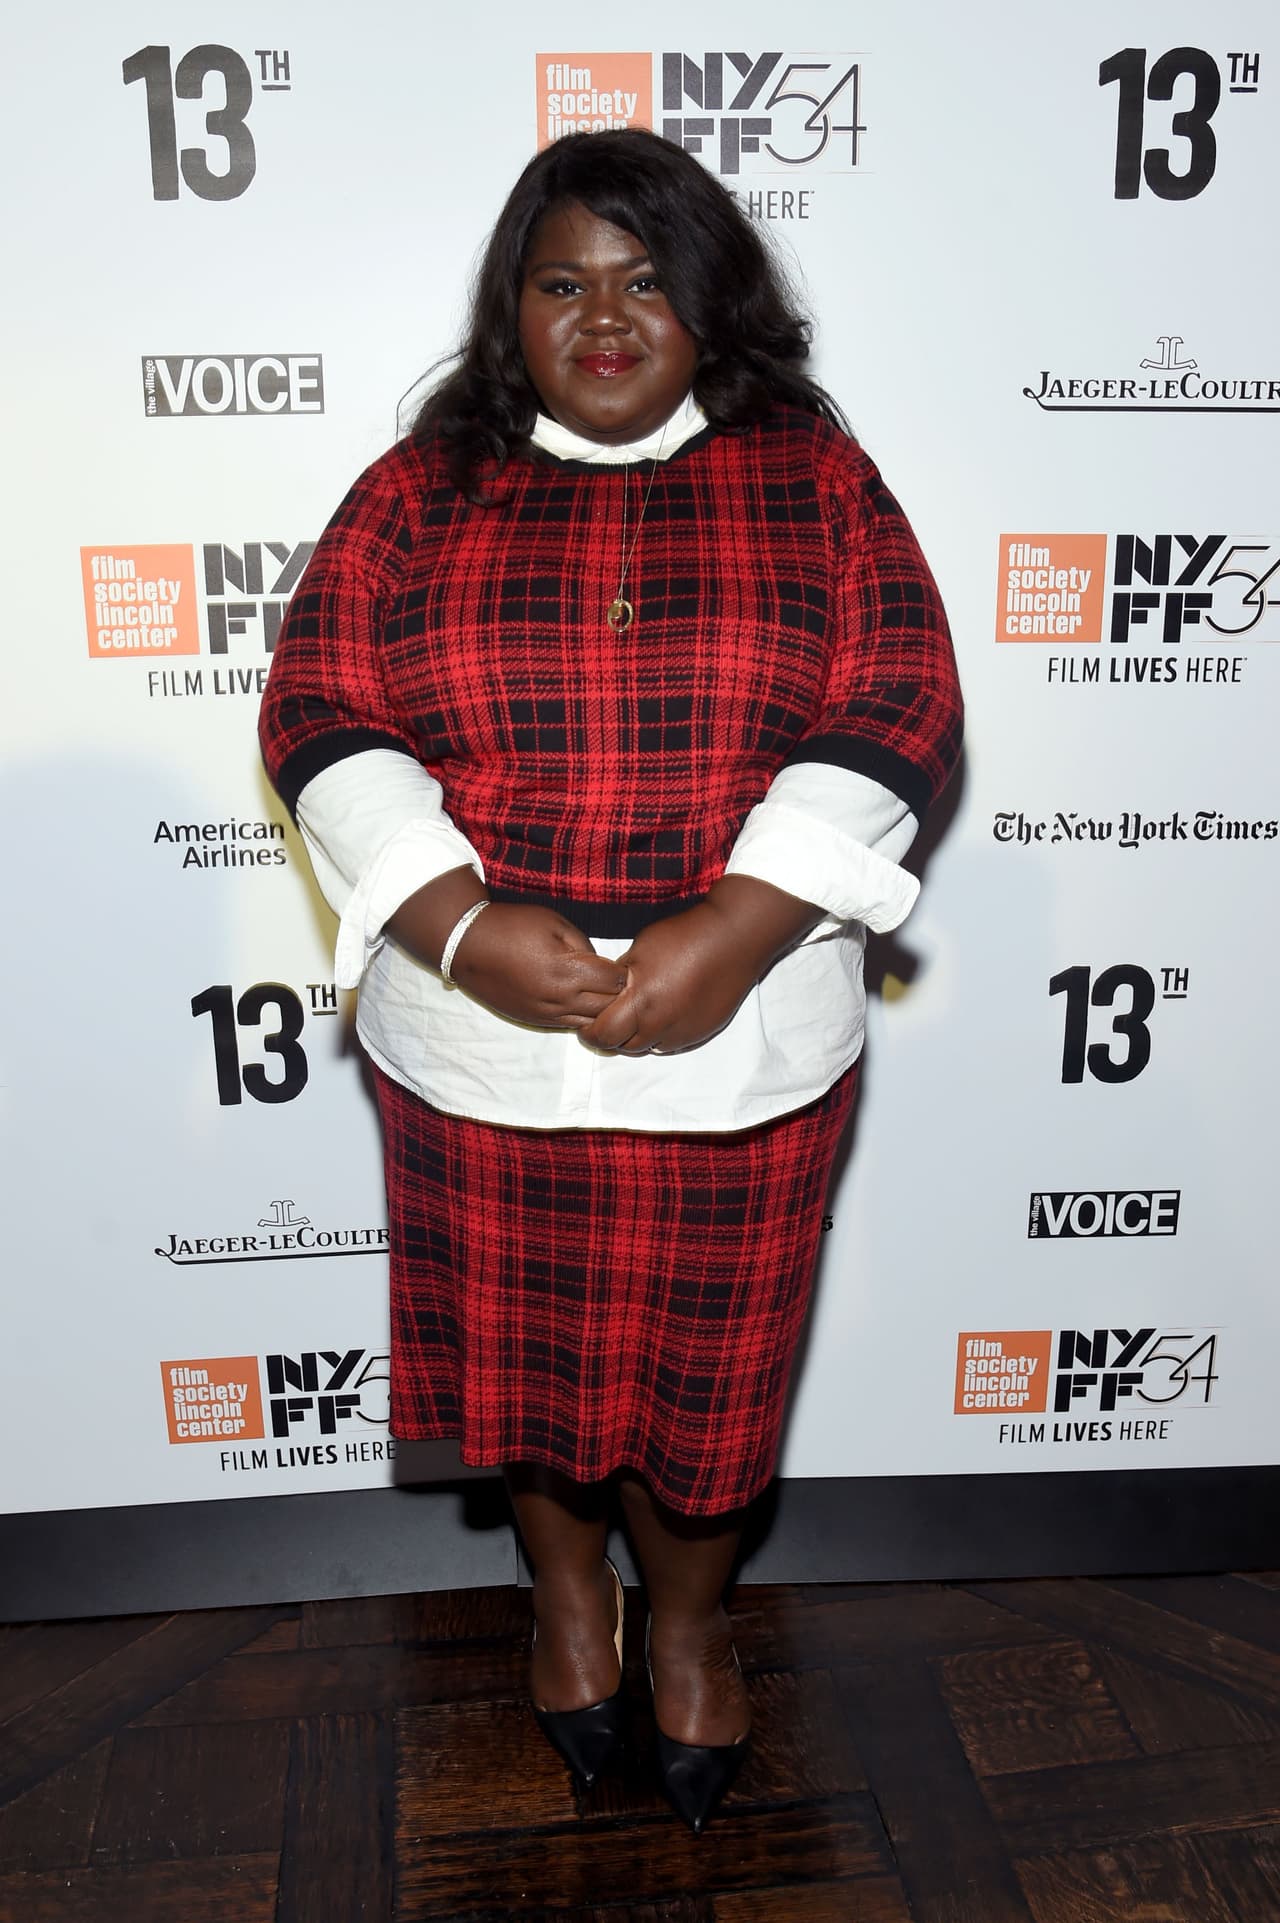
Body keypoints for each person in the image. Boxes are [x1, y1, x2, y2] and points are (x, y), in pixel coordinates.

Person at [258, 127, 962, 1832]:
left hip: (744, 1040)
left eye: (646, 279)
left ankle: (697, 1630)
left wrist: (734, 928)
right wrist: (449, 914)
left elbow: (900, 704)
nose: (605, 316)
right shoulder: (418, 489)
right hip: (481, 1043)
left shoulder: (816, 478)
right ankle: (569, 1607)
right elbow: (320, 709)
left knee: (713, 1381)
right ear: (514, 309)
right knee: (531, 1372)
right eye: (563, 281)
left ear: (709, 299)